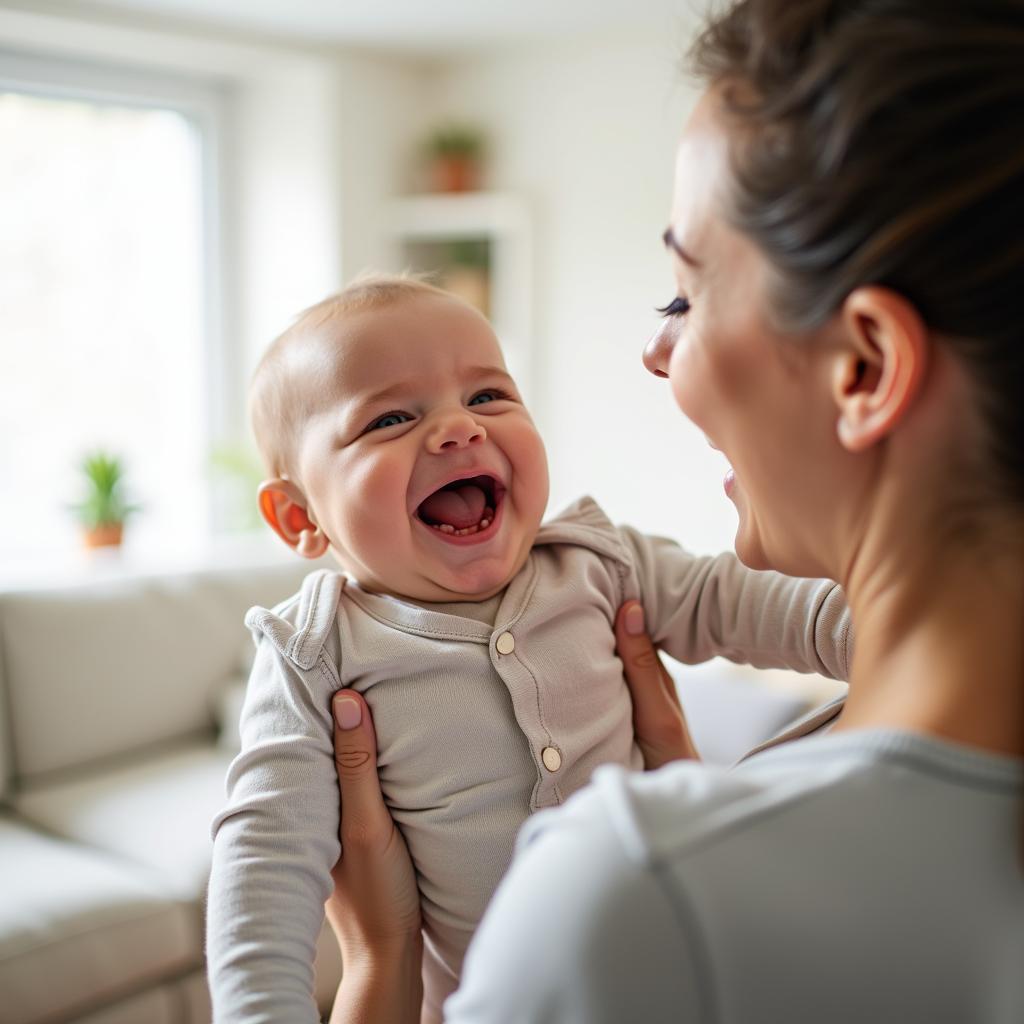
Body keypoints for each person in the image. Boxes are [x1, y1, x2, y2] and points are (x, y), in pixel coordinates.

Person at [323, 0, 1024, 1021]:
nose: (658, 353)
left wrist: (379, 963)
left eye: (684, 296)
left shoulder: (619, 899)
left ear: (865, 366)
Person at [205, 274, 852, 1022]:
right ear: (298, 516)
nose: (458, 429)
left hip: (678, 966)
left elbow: (765, 605)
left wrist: (900, 638)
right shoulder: (313, 653)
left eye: (487, 397)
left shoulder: (598, 560)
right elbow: (262, 870)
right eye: (389, 419)